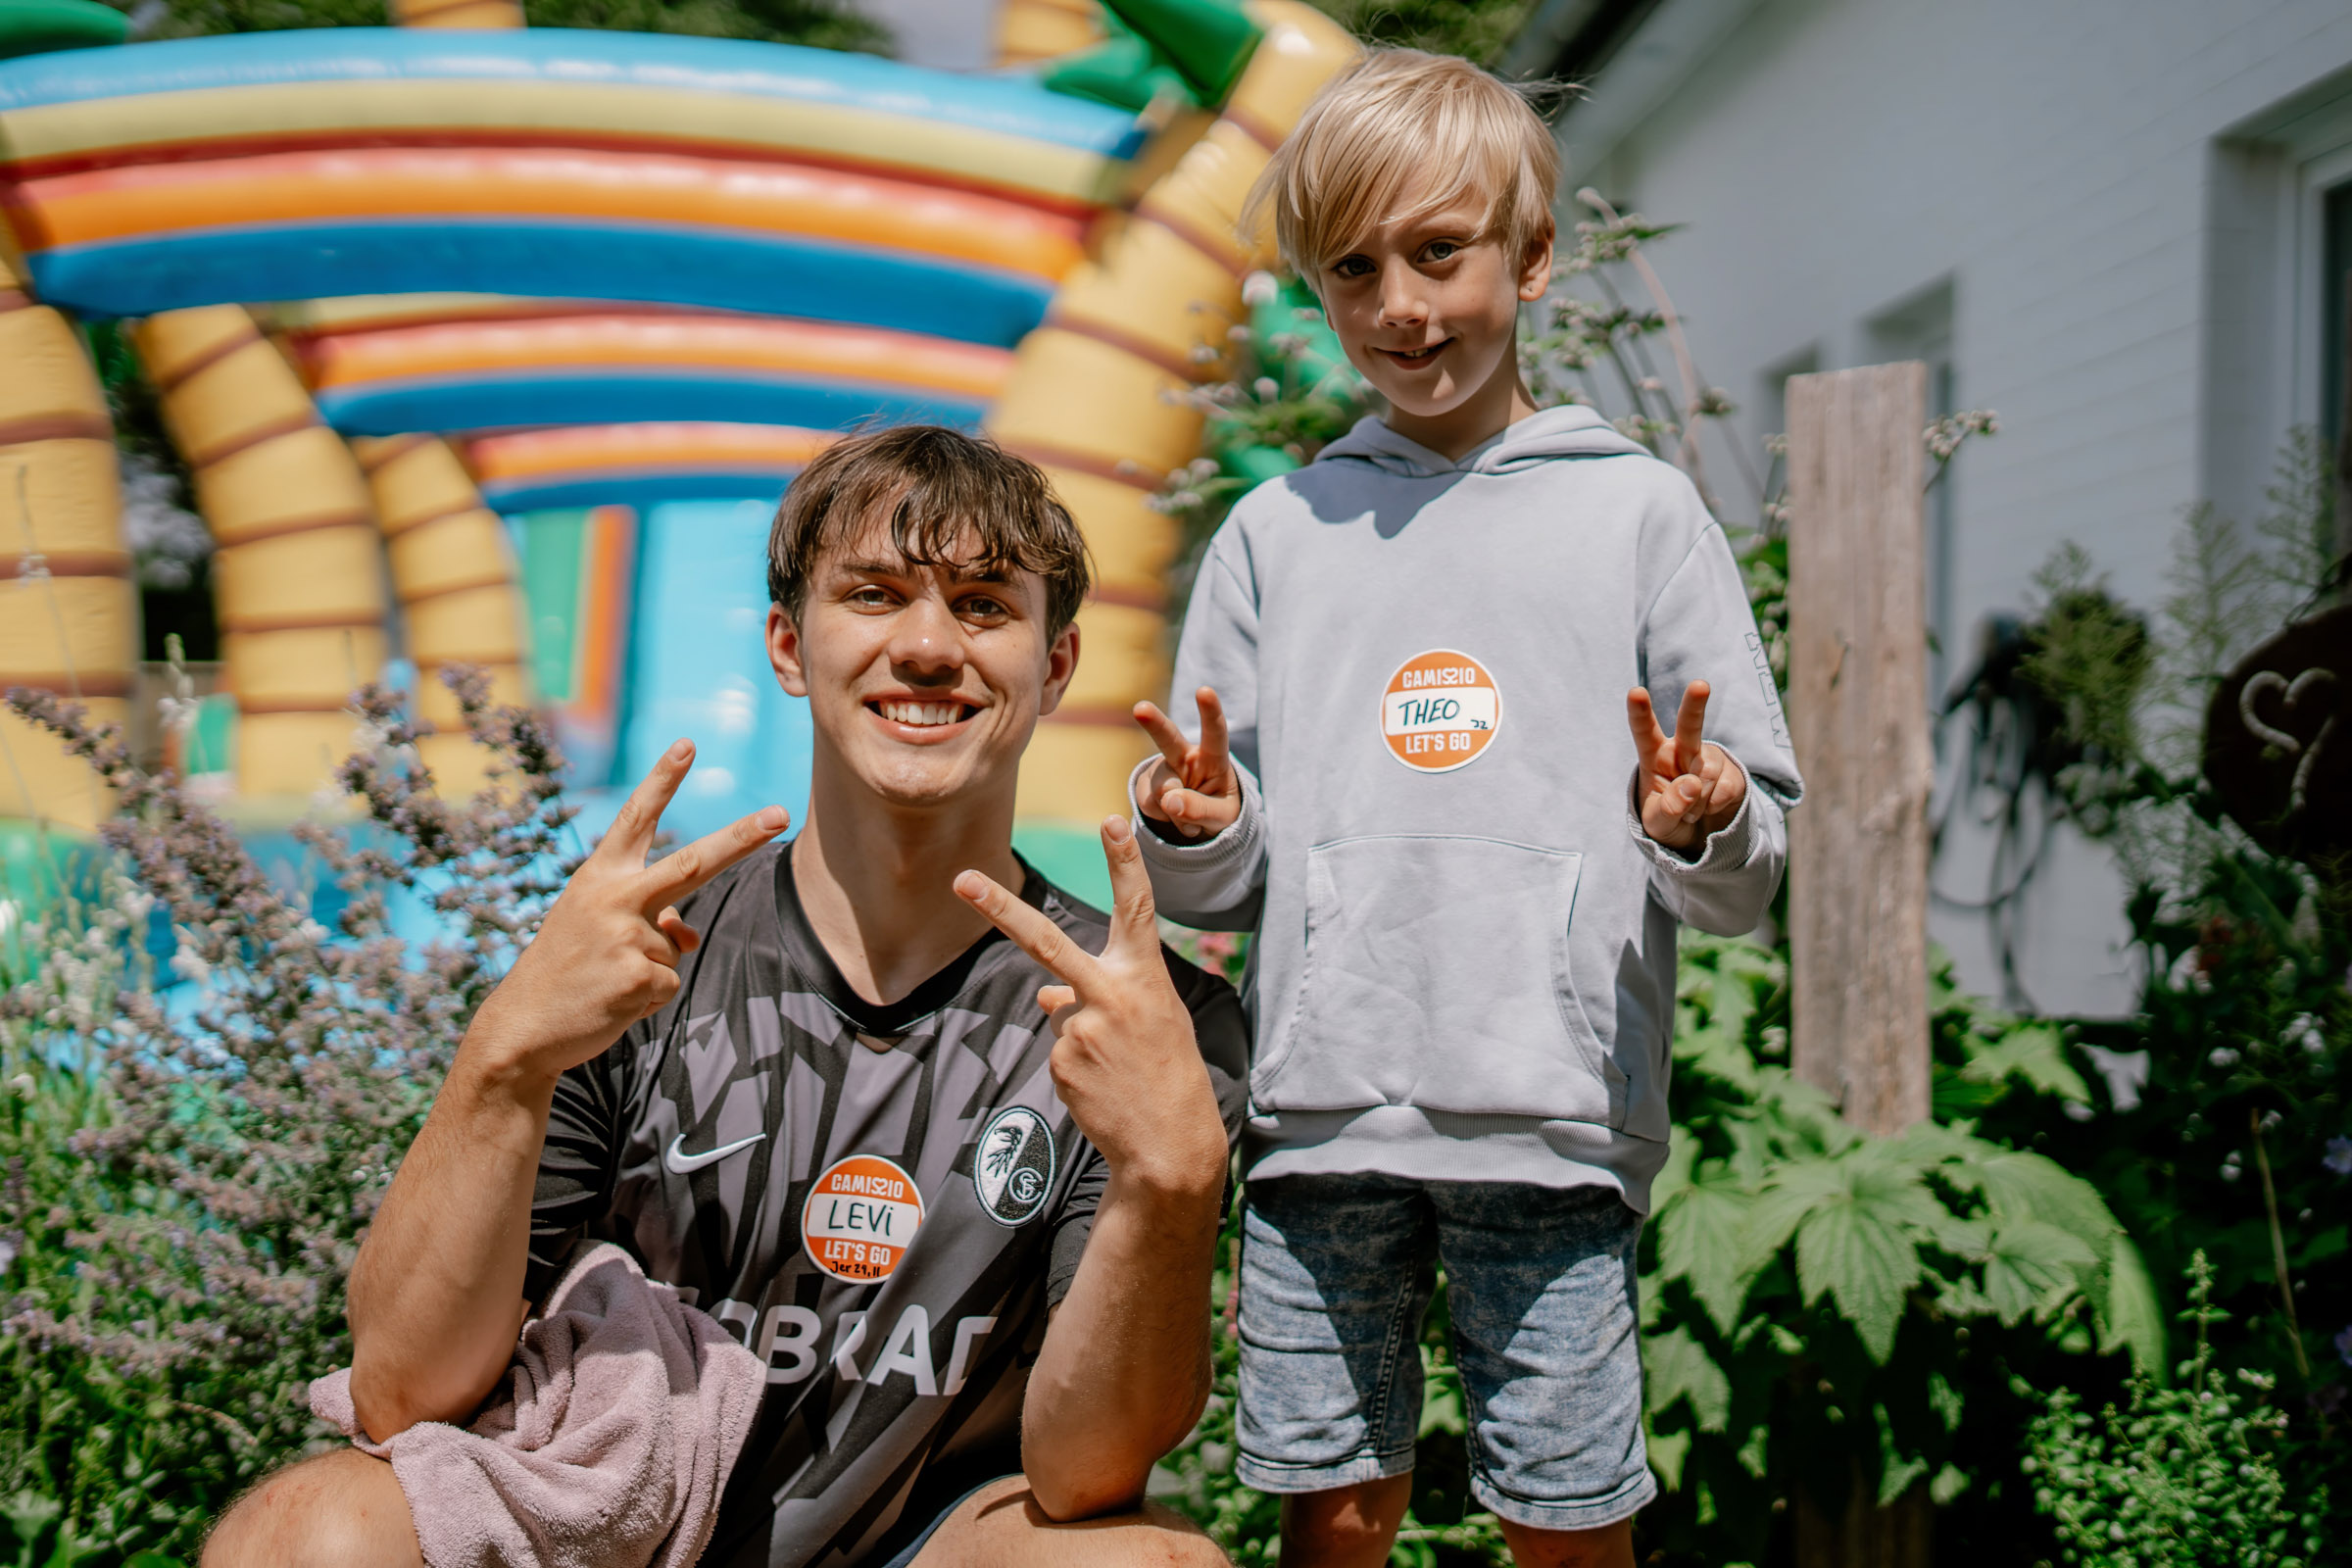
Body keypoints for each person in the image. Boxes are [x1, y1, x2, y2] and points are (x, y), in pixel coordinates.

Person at [206, 426, 1249, 1568]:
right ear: (789, 646)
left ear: (1055, 666)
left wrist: (1172, 1176)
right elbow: (405, 1392)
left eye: (985, 605)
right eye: (874, 593)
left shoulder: (1143, 1023)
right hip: (608, 1530)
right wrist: (504, 1056)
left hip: (926, 1546)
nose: (926, 646)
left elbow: (1086, 1469)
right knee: (305, 1535)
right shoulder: (631, 963)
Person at [1125, 50, 1804, 1568]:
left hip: (1554, 1114)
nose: (1401, 307)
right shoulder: (1275, 533)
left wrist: (1700, 818)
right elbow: (1216, 887)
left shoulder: (1640, 515)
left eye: (1440, 252)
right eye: (1353, 270)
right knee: (1333, 1511)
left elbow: (1747, 871)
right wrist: (1200, 824)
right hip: (1321, 1117)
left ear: (1534, 257)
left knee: (1562, 1514)